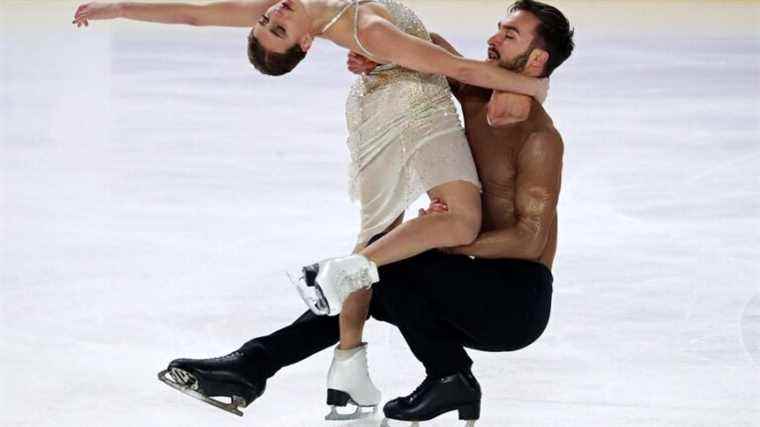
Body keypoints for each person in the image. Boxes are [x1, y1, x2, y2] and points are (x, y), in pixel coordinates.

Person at [72, 0, 549, 415]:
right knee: (390, 257)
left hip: (507, 290)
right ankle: (323, 345)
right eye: (275, 26)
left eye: (509, 36)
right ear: (304, 44)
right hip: (401, 116)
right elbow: (455, 65)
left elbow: (450, 64)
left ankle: (324, 370)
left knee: (383, 259)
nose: (493, 39)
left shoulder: (539, 138)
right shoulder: (382, 40)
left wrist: (391, 57)